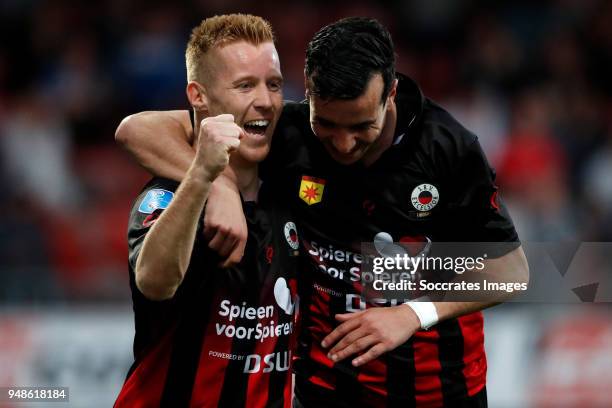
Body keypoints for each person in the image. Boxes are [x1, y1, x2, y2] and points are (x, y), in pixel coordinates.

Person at [116, 17, 529, 408]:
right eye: (328, 125)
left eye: (362, 127)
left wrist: (412, 314)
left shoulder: (447, 149)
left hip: (440, 393)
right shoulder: (288, 130)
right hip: (326, 393)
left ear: (390, 93)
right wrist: (217, 183)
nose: (344, 144)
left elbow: (511, 271)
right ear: (307, 94)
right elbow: (139, 129)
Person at [114, 14, 299, 407]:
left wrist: (419, 311)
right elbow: (155, 281)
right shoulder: (169, 194)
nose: (265, 101)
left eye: (274, 85)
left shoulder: (294, 181)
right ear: (198, 95)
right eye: (245, 85)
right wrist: (207, 180)